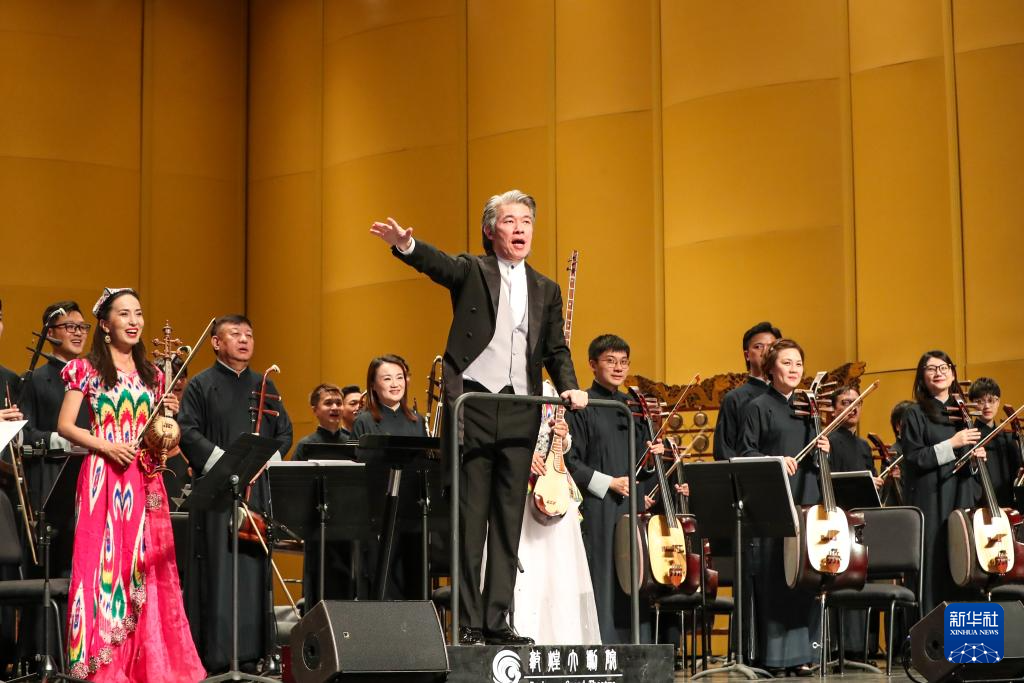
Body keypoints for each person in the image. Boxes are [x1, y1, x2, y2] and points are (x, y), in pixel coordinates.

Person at [370, 189, 587, 646]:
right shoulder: (473, 270)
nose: (520, 228)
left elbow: (555, 348)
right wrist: (406, 245)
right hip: (475, 405)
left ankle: (498, 621)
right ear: (491, 231)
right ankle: (468, 622)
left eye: (526, 221)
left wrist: (568, 384)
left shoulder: (545, 288)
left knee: (508, 521)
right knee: (471, 521)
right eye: (510, 221)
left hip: (521, 409)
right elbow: (439, 265)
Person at [56, 287, 204, 682]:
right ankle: (102, 664)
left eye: (138, 313)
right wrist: (107, 445)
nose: (134, 321)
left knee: (146, 567)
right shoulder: (85, 369)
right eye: (124, 314)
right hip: (103, 475)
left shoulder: (154, 375)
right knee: (102, 566)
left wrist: (167, 424)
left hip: (143, 477)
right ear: (105, 324)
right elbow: (66, 426)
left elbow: (159, 441)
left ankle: (146, 664)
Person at [177, 314, 292, 674]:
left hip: (257, 492)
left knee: (254, 571)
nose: (244, 340)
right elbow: (186, 430)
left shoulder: (265, 385)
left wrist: (262, 461)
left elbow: (284, 432)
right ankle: (214, 655)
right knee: (219, 571)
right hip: (216, 495)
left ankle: (257, 654)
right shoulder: (200, 385)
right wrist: (225, 464)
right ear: (216, 342)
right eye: (235, 334)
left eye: (249, 335)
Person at [738, 338, 830, 677]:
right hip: (774, 502)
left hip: (807, 500)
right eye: (787, 362)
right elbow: (745, 453)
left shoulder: (809, 410)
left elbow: (819, 465)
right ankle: (774, 657)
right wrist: (775, 459)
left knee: (805, 576)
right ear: (770, 368)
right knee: (776, 577)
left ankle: (805, 654)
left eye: (798, 363)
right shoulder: (758, 407)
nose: (794, 369)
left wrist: (824, 448)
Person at [564, 334, 659, 644]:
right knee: (603, 576)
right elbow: (569, 461)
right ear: (593, 365)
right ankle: (604, 648)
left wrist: (651, 461)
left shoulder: (632, 408)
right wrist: (609, 483)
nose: (619, 368)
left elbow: (641, 464)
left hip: (632, 507)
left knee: (636, 575)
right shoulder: (581, 406)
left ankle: (637, 648)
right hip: (598, 507)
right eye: (610, 361)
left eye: (624, 362)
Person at [514, 380, 601, 645]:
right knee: (529, 562)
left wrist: (562, 438)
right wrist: (522, 455)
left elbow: (563, 445)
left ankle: (562, 639)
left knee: (559, 566)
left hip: (553, 480)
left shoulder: (552, 391)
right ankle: (523, 631)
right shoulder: (512, 385)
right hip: (521, 483)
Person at [898, 351, 984, 614]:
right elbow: (914, 458)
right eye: (931, 368)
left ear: (953, 373)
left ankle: (964, 634)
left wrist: (976, 458)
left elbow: (972, 469)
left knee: (963, 562)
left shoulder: (964, 414)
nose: (939, 372)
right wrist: (953, 444)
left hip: (961, 498)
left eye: (944, 367)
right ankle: (931, 632)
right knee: (934, 564)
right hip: (932, 499)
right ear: (922, 377)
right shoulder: (914, 413)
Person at [294, 383, 362, 608]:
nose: (334, 407)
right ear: (315, 409)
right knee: (318, 587)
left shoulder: (352, 442)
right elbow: (296, 488)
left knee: (348, 588)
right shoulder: (306, 445)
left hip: (347, 527)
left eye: (338, 403)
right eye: (328, 403)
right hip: (316, 529)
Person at [714, 321, 781, 460]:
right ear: (747, 355)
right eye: (758, 346)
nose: (766, 351)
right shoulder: (734, 399)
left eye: (772, 347)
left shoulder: (790, 396)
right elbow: (724, 451)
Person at [968, 377, 1020, 508]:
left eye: (991, 400)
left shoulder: (1008, 438)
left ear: (998, 402)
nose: (987, 406)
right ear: (971, 404)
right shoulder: (968, 437)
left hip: (1010, 506)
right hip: (981, 507)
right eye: (980, 401)